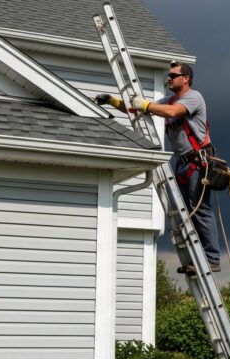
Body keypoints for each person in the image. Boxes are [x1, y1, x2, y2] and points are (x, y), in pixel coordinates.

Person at [94, 62, 220, 274]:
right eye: (168, 76)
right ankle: (197, 258)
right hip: (182, 164)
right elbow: (137, 109)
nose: (169, 78)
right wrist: (113, 101)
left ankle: (211, 258)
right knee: (188, 213)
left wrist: (145, 105)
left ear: (186, 78)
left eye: (173, 75)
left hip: (197, 163)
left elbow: (170, 111)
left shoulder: (193, 98)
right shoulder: (168, 100)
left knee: (201, 210)